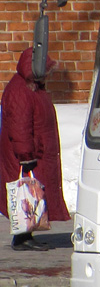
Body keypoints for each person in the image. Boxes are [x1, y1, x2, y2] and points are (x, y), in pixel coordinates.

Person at [1, 48, 70, 250]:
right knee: (26, 193)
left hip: (35, 152)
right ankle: (22, 237)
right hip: (25, 155)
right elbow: (20, 125)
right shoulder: (21, 90)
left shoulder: (31, 87)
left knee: (32, 194)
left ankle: (25, 234)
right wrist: (25, 156)